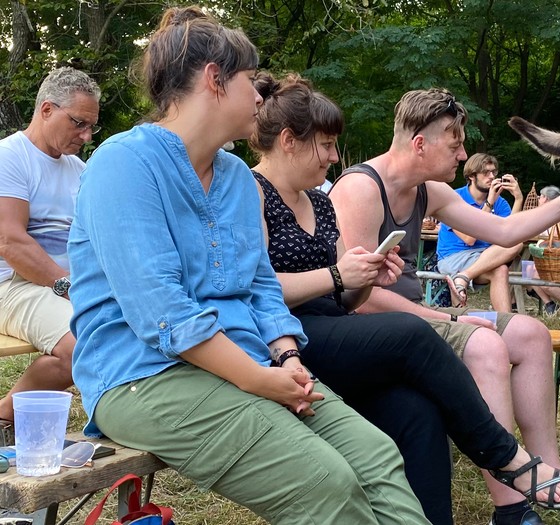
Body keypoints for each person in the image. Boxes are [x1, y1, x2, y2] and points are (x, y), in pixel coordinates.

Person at [67, 8, 430, 524]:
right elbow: (160, 313)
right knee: (323, 483)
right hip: (143, 376)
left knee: (376, 457)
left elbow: (260, 284)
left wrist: (285, 357)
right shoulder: (122, 164)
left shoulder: (238, 177)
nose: (260, 98)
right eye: (248, 82)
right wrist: (259, 381)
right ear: (215, 80)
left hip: (251, 362)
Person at [248, 71, 560, 525]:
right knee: (422, 334)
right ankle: (509, 464)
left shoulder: (317, 200)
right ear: (291, 141)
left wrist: (365, 275)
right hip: (288, 337)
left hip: (338, 326)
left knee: (421, 414)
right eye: (328, 145)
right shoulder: (257, 191)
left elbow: (349, 296)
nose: (335, 157)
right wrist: (342, 277)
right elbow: (255, 287)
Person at [329, 88, 560, 525]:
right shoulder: (360, 189)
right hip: (384, 327)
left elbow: (505, 232)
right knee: (484, 343)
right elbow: (361, 297)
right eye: (455, 144)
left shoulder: (427, 191)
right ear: (419, 144)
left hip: (420, 316)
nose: (463, 153)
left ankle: (548, 476)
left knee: (531, 333)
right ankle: (510, 510)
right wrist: (447, 317)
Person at [0, 66, 100, 445]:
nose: (86, 136)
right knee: (82, 346)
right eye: (78, 123)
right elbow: (10, 242)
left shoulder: (80, 169)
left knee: (125, 333)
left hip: (67, 285)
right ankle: (5, 415)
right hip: (13, 282)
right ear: (46, 110)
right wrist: (68, 285)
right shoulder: (10, 157)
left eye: (91, 126)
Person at [436, 153, 524, 312]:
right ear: (471, 176)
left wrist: (518, 198)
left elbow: (512, 235)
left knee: (509, 257)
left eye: (494, 172)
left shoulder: (500, 202)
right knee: (502, 265)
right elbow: (469, 238)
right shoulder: (454, 198)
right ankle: (463, 277)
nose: (491, 177)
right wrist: (489, 203)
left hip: (482, 257)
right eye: (486, 173)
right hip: (455, 256)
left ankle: (506, 324)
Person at [527, 185, 560, 318]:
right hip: (548, 253)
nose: (538, 199)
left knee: (539, 275)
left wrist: (543, 241)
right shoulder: (544, 215)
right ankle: (549, 303)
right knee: (528, 271)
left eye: (540, 196)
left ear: (546, 198)